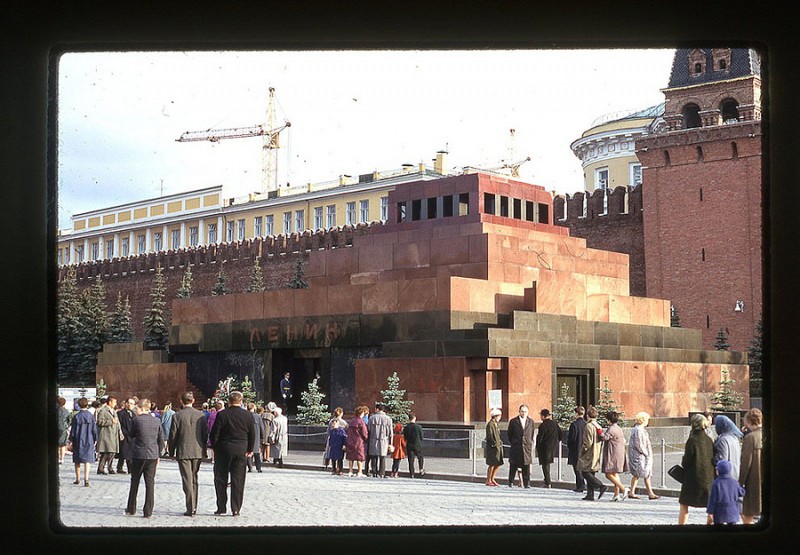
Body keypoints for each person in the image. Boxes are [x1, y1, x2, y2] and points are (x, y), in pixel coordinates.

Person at [210, 391, 255, 517]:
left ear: (229, 401)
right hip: (241, 450)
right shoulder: (247, 415)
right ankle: (236, 509)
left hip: (223, 450)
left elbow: (215, 433)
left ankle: (221, 507)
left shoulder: (222, 415)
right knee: (238, 481)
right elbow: (252, 434)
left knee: (220, 480)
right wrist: (250, 449)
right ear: (240, 401)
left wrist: (215, 447)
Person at [168, 391, 208, 517]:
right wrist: (204, 449)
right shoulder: (201, 415)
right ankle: (194, 505)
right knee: (194, 478)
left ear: (181, 401)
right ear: (193, 401)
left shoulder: (177, 416)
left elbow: (173, 436)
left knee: (187, 479)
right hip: (197, 451)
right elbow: (205, 434)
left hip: (183, 450)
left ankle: (190, 507)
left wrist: (171, 451)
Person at [125, 398, 164, 518]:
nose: (135, 410)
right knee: (150, 483)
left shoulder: (136, 420)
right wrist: (159, 454)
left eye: (137, 408)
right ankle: (148, 510)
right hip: (152, 454)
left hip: (139, 454)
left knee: (135, 481)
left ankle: (131, 508)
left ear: (141, 408)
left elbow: (131, 434)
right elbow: (160, 439)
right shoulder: (156, 421)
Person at [678, 413, 715, 524]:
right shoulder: (709, 439)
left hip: (692, 479)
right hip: (708, 478)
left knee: (684, 504)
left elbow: (686, 462)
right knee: (709, 504)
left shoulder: (692, 440)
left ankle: (681, 528)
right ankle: (710, 523)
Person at [628, 411, 659, 499]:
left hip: (641, 456)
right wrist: (646, 453)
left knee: (644, 474)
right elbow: (639, 444)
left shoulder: (640, 429)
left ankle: (648, 493)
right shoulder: (638, 430)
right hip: (640, 456)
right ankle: (635, 492)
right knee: (640, 473)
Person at [577, 405, 606, 501]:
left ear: (588, 415)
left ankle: (600, 485)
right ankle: (590, 494)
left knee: (585, 472)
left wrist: (582, 450)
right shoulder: (598, 425)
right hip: (596, 451)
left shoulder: (589, 426)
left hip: (589, 452)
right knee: (591, 472)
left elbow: (587, 442)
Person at [739, 408, 763, 524]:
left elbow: (746, 463)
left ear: (748, 421)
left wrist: (740, 482)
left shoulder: (750, 438)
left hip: (753, 481)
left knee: (748, 513)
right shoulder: (766, 434)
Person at [68, 397, 97, 487]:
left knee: (77, 460)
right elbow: (94, 429)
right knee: (87, 460)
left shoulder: (76, 416)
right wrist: (95, 439)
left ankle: (77, 478)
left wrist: (71, 440)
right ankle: (86, 479)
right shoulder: (90, 416)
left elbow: (73, 430)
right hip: (89, 439)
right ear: (87, 404)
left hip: (78, 439)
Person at [706, 459, 745, 525]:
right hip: (733, 511)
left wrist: (710, 512)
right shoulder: (734, 482)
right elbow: (741, 493)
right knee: (732, 530)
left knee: (719, 530)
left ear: (718, 471)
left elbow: (712, 499)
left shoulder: (716, 483)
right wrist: (743, 488)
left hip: (719, 512)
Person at [601, 411, 629, 501]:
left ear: (609, 420)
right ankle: (616, 494)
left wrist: (599, 432)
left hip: (613, 453)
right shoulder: (618, 428)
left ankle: (623, 488)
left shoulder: (611, 429)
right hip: (619, 453)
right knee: (614, 473)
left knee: (608, 474)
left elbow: (604, 437)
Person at [507, 404, 535, 488]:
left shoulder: (531, 421)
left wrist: (529, 442)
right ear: (519, 412)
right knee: (513, 465)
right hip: (516, 446)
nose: (523, 413)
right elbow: (509, 434)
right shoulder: (513, 421)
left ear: (528, 412)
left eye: (525, 411)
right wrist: (514, 442)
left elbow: (532, 433)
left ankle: (527, 483)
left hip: (526, 447)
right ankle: (511, 481)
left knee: (526, 466)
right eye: (522, 411)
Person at [95, 395, 121, 474]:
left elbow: (117, 422)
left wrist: (120, 432)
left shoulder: (114, 411)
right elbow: (99, 422)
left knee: (112, 452)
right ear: (109, 402)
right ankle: (101, 468)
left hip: (114, 434)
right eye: (114, 402)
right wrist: (110, 422)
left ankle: (109, 467)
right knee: (106, 452)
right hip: (106, 434)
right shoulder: (103, 410)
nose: (115, 403)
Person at [535, 408, 561, 488]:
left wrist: (537, 446)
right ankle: (546, 480)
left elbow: (540, 438)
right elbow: (560, 434)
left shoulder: (542, 425)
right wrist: (557, 441)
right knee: (547, 465)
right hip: (553, 447)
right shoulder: (554, 423)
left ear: (543, 416)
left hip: (544, 448)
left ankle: (548, 482)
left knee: (545, 466)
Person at [713, 414, 743, 481]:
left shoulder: (723, 440)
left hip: (725, 477)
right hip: (735, 475)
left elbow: (722, 460)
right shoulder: (735, 438)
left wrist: (713, 459)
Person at [367, 401, 393, 478]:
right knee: (382, 457)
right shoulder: (388, 419)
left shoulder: (371, 418)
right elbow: (390, 432)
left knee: (374, 457)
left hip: (373, 439)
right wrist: (390, 443)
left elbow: (369, 430)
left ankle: (374, 472)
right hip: (384, 440)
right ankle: (382, 473)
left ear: (377, 409)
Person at [566, 406, 587, 492]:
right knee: (582, 469)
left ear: (576, 414)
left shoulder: (574, 425)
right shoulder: (586, 424)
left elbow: (571, 439)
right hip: (584, 449)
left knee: (577, 469)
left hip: (575, 449)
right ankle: (581, 485)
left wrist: (569, 446)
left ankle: (580, 485)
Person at [346, 406, 369, 477]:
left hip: (350, 440)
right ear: (361, 413)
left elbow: (348, 431)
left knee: (351, 457)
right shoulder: (361, 422)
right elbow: (364, 433)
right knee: (359, 457)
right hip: (359, 441)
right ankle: (359, 472)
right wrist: (366, 439)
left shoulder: (351, 421)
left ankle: (350, 471)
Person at [116, 398, 136, 474]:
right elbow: (119, 425)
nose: (130, 405)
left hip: (132, 436)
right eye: (129, 403)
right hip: (124, 436)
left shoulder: (133, 414)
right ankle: (120, 468)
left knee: (129, 453)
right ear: (126, 404)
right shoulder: (121, 413)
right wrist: (124, 433)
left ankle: (129, 468)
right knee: (124, 453)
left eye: (132, 404)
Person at [403, 412, 425, 478]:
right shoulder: (419, 427)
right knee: (420, 457)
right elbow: (421, 436)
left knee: (411, 460)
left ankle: (412, 473)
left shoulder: (406, 428)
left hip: (409, 445)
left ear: (409, 419)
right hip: (417, 445)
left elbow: (405, 437)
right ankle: (421, 469)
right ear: (414, 418)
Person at [485, 408, 503, 486]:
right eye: (499, 416)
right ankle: (488, 480)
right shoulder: (490, 424)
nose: (500, 418)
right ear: (495, 416)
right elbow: (490, 436)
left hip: (498, 447)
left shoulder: (496, 424)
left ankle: (492, 478)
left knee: (498, 463)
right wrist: (494, 444)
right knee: (491, 464)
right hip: (492, 448)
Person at [246, 402, 266, 473]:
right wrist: (262, 436)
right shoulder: (257, 416)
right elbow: (261, 427)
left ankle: (250, 467)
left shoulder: (245, 415)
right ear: (253, 408)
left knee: (248, 453)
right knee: (257, 453)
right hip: (256, 436)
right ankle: (258, 468)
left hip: (247, 437)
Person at [57, 396, 70, 464]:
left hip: (55, 428)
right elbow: (68, 421)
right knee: (62, 445)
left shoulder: (55, 411)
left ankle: (56, 457)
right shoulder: (66, 411)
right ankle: (61, 458)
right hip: (63, 429)